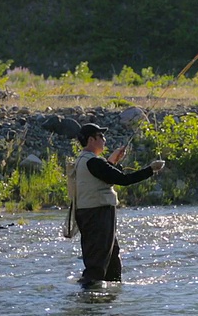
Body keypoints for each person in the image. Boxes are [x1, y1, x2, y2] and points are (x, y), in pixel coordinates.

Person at [74, 123, 164, 288]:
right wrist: (151, 169)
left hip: (94, 213)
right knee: (98, 259)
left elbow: (105, 177)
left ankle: (111, 290)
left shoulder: (85, 160)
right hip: (97, 214)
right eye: (101, 136)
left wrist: (112, 161)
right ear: (91, 140)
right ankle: (89, 299)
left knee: (111, 255)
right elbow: (124, 180)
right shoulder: (93, 162)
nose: (104, 139)